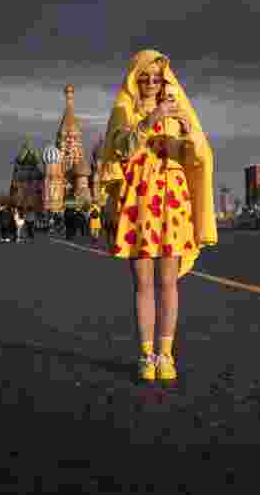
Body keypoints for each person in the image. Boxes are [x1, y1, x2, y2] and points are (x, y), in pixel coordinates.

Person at [98, 49, 217, 384]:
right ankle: (146, 355)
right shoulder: (125, 109)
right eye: (144, 76)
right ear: (135, 79)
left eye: (157, 77)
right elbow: (122, 148)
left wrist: (186, 129)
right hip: (139, 201)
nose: (151, 82)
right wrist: (152, 119)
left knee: (169, 283)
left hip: (173, 200)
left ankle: (166, 354)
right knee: (144, 284)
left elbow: (196, 155)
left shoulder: (177, 108)